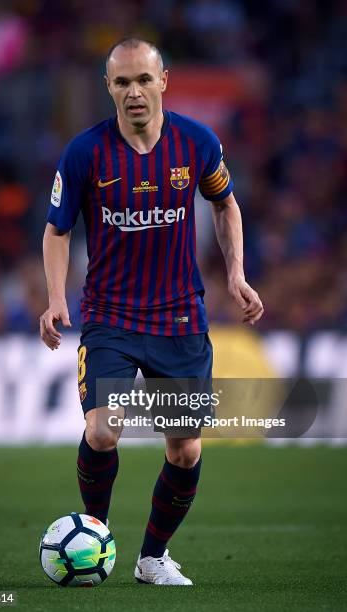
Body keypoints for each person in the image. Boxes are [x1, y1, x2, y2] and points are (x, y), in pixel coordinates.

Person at [40, 37, 264, 586]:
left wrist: (235, 273)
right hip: (110, 318)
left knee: (185, 450)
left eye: (144, 79)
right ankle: (96, 534)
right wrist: (53, 298)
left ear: (163, 81)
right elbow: (56, 230)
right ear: (108, 88)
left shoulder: (197, 144)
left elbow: (225, 204)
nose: (134, 92)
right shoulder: (85, 153)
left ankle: (152, 558)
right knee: (102, 431)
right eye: (122, 82)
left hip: (179, 318)